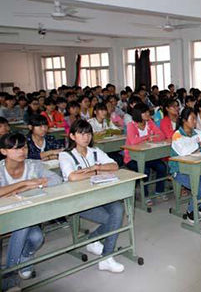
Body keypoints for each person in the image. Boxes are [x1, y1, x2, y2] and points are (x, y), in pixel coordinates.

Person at [58, 120, 125, 273]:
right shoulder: (65, 155)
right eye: (81, 133)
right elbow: (72, 177)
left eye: (88, 133)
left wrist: (96, 167)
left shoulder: (95, 151)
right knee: (112, 219)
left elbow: (114, 166)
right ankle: (101, 249)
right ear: (72, 136)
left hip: (100, 195)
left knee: (118, 209)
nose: (85, 137)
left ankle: (102, 253)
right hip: (78, 201)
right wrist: (96, 172)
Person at [0, 133, 61, 289]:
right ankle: (9, 277)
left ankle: (25, 257)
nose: (21, 151)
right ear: (3, 151)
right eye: (15, 148)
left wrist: (37, 185)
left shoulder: (33, 165)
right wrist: (25, 184)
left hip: (25, 215)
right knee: (24, 225)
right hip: (3, 217)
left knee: (37, 236)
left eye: (24, 147)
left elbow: (56, 179)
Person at [169, 108, 201, 222]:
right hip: (181, 170)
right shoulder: (177, 135)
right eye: (193, 119)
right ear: (184, 120)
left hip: (197, 166)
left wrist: (198, 147)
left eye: (196, 119)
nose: (195, 122)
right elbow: (184, 151)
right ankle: (191, 210)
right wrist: (200, 147)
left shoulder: (198, 133)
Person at [124, 103, 167, 205]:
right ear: (138, 114)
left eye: (148, 112)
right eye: (145, 112)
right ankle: (145, 195)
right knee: (145, 170)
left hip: (147, 156)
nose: (148, 114)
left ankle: (159, 191)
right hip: (132, 158)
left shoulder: (150, 122)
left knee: (162, 167)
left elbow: (161, 135)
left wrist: (151, 138)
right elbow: (134, 141)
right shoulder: (131, 125)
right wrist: (148, 137)